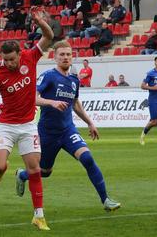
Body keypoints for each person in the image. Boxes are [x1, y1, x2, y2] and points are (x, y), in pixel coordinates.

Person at [15, 41, 121, 212]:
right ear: (55, 57)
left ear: (72, 57)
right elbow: (32, 98)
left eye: (68, 54)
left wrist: (90, 122)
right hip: (48, 132)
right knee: (45, 171)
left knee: (87, 159)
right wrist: (52, 102)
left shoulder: (74, 80)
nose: (65, 57)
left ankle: (106, 200)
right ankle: (22, 174)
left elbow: (76, 104)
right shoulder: (48, 76)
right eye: (62, 54)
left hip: (67, 130)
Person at [0, 7, 54, 231]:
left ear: (19, 54)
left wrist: (40, 21)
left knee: (34, 169)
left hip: (28, 125)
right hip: (6, 126)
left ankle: (38, 216)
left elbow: (50, 37)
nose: (8, 63)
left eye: (11, 59)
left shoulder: (31, 57)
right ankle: (1, 171)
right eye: (5, 59)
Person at [140, 56, 157, 148]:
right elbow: (142, 86)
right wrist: (152, 88)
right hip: (153, 100)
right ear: (155, 63)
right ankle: (143, 134)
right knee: (154, 122)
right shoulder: (150, 73)